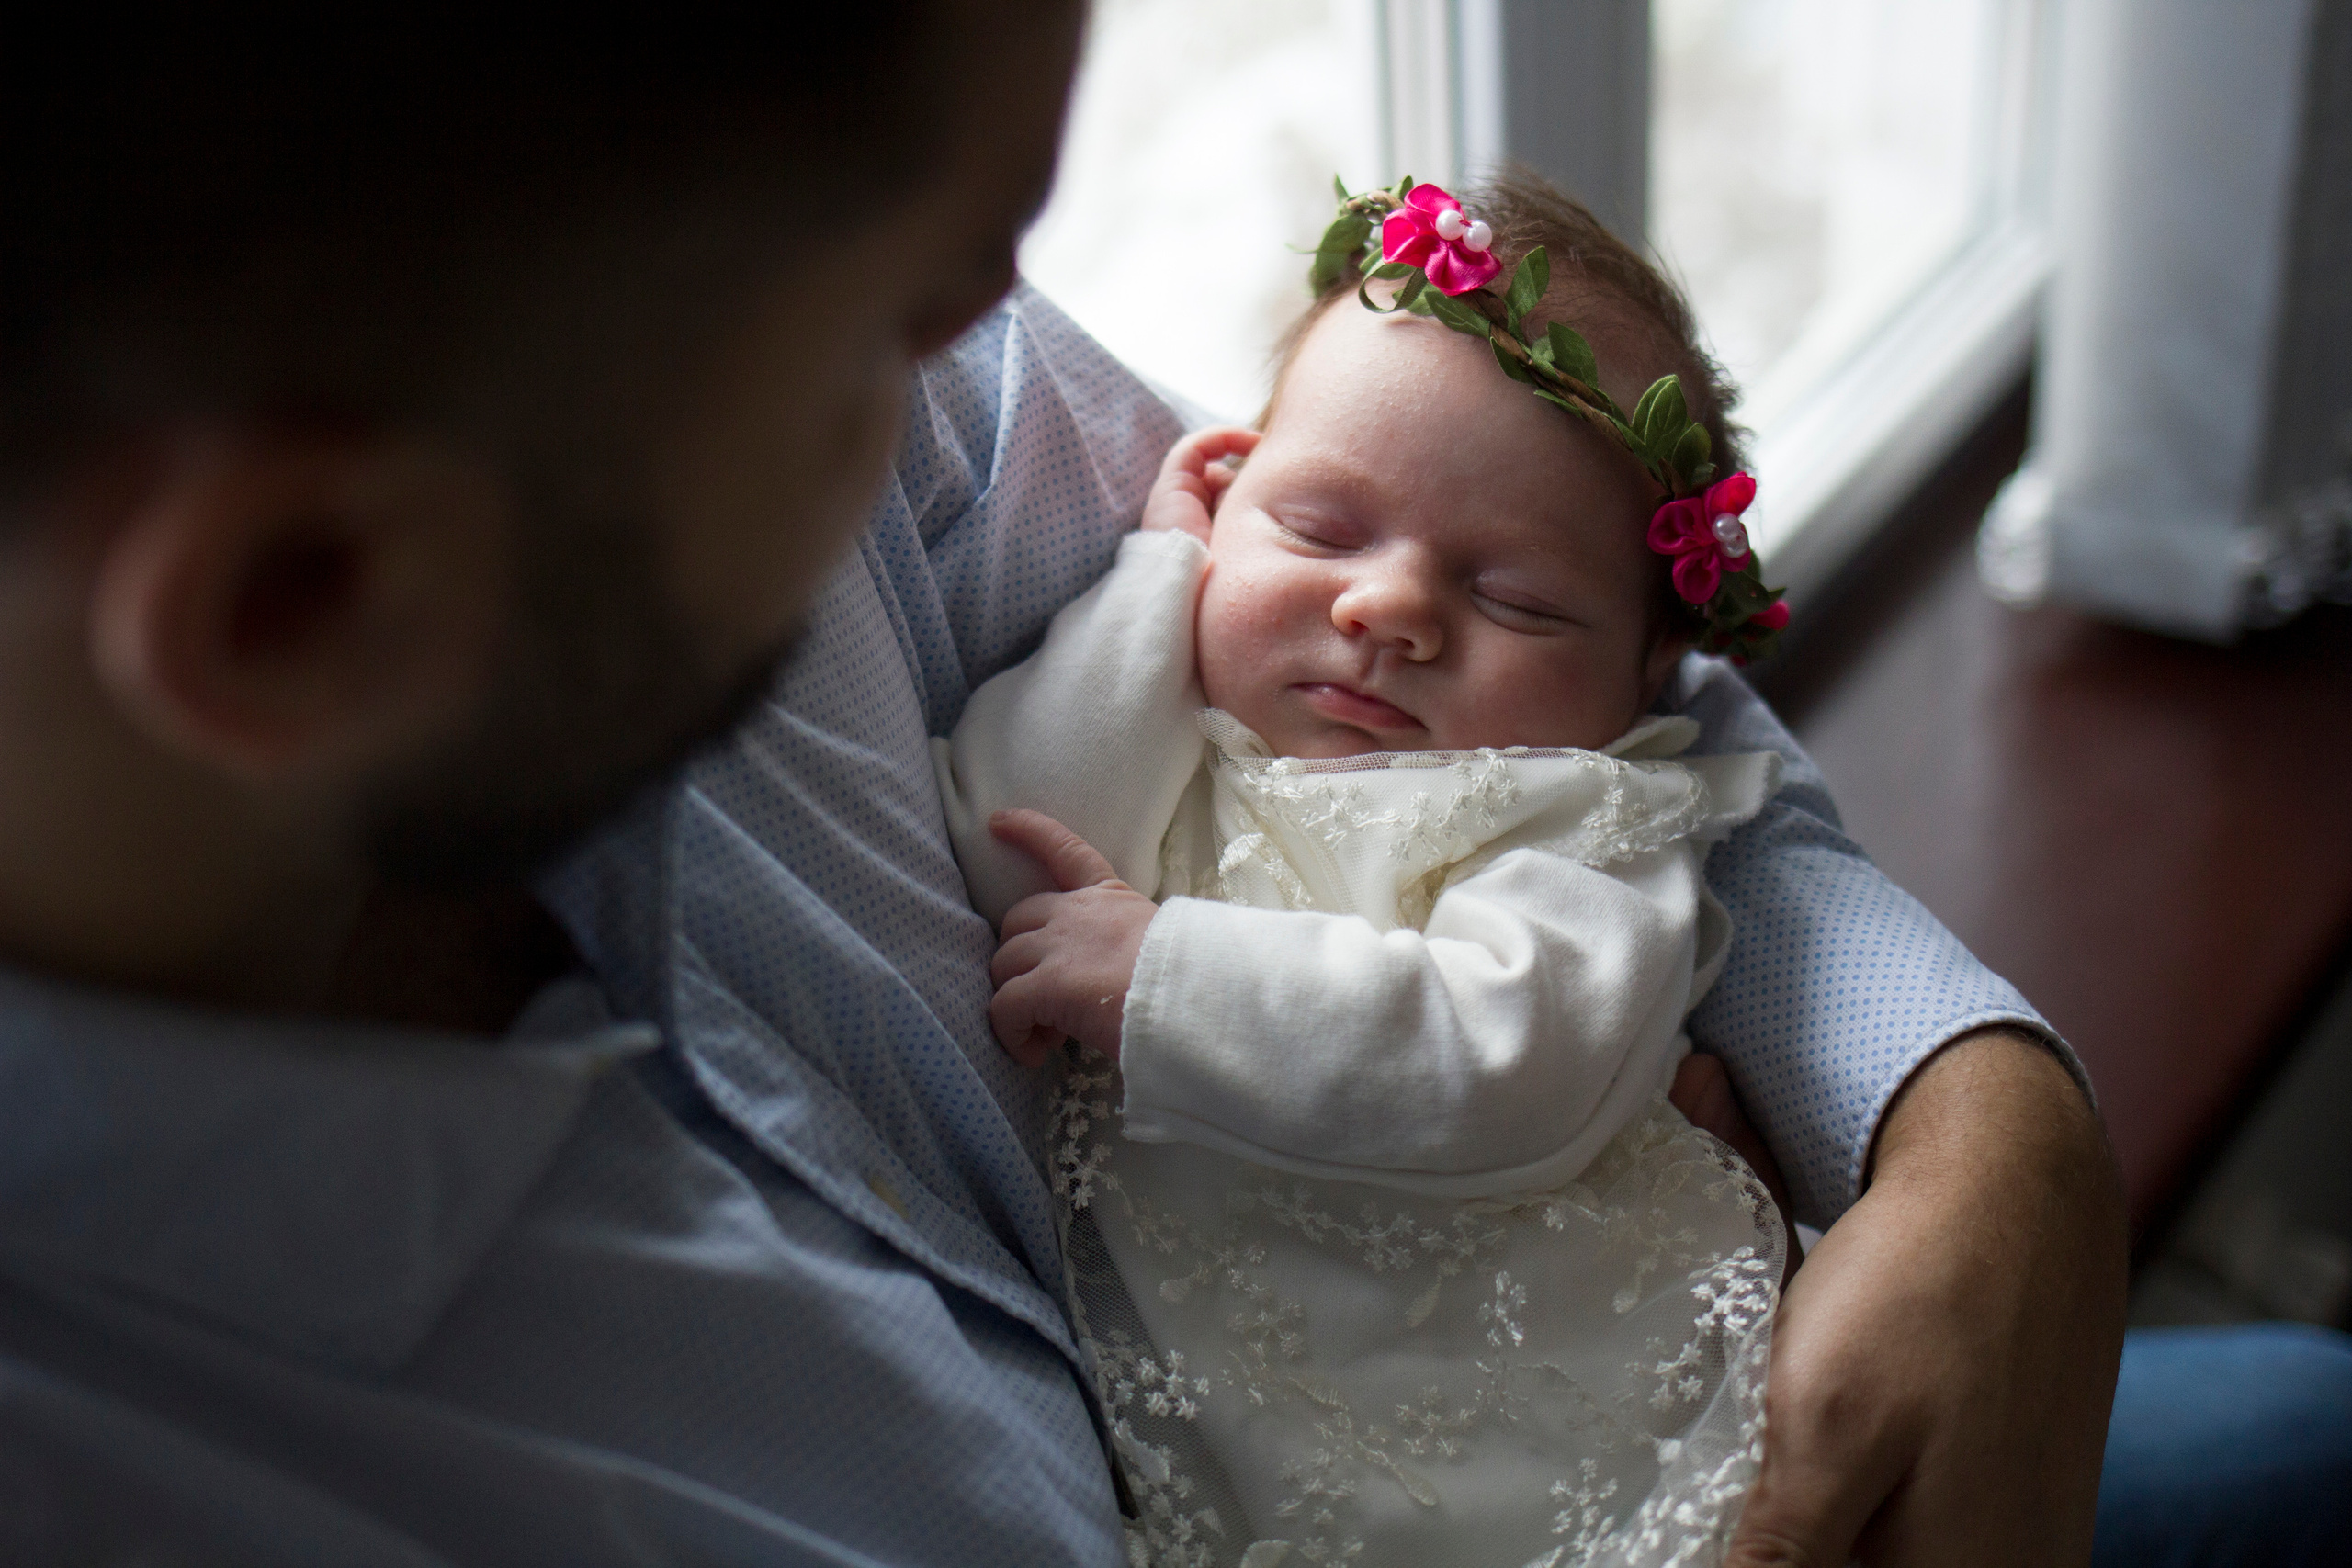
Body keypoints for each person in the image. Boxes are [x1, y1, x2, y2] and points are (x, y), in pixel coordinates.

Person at [0, 9, 2342, 1568]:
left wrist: (1976, 1123)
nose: (991, 357)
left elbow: (1619, 715)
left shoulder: (679, 425)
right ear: (310, 603)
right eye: (894, 319)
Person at [930, 173, 1796, 1564]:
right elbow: (1011, 838)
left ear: (1647, 673)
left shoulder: (1577, 818)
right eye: (1319, 530)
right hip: (1244, 1446)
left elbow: (1513, 1055)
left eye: (1515, 599)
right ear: (1230, 486)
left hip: (1567, 1422)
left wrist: (1169, 977)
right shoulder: (1184, 736)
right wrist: (1159, 581)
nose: (1388, 609)